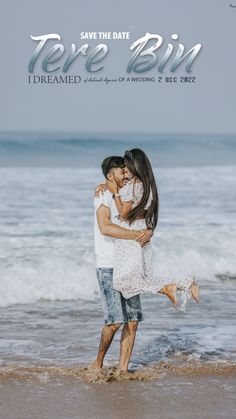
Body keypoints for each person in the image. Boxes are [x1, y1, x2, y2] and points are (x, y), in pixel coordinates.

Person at [106, 148, 199, 311]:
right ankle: (185, 282)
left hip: (131, 233)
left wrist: (116, 194)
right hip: (144, 230)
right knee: (145, 277)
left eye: (127, 167)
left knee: (122, 282)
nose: (125, 170)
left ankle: (167, 288)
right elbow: (148, 214)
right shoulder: (147, 186)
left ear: (135, 166)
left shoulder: (131, 187)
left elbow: (123, 213)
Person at [89, 156, 153, 374]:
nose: (126, 175)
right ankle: (97, 363)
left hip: (128, 263)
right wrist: (136, 235)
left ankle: (123, 370)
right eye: (121, 172)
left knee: (133, 321)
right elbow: (105, 227)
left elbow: (143, 219)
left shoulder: (129, 193)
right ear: (110, 175)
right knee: (115, 321)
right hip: (108, 265)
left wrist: (149, 231)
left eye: (127, 171)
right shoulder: (102, 195)